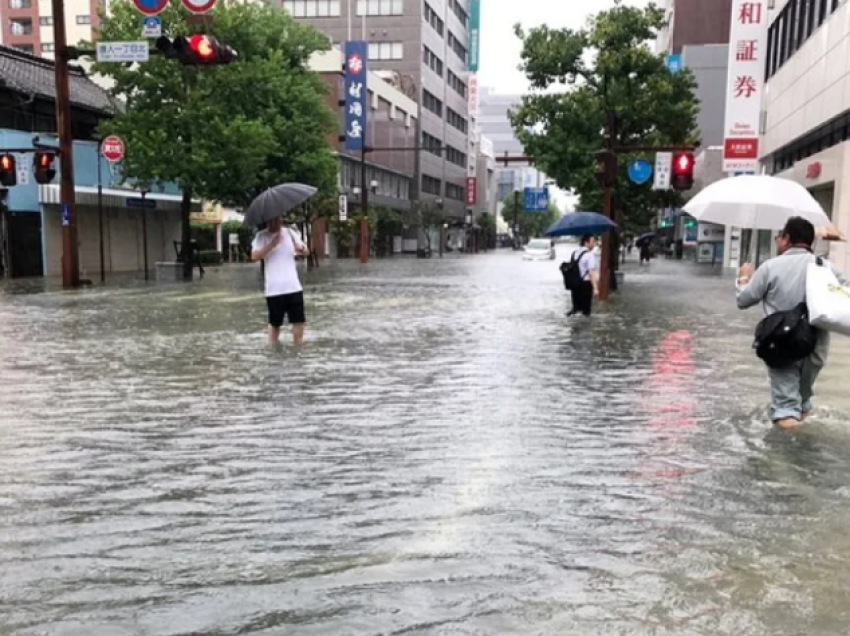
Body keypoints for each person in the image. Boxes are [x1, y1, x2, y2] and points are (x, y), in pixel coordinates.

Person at [736, 216, 848, 430]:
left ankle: (793, 457)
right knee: (802, 400)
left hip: (781, 344)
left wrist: (743, 278)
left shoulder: (770, 267)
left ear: (787, 238)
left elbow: (743, 300)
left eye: (779, 236)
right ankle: (805, 440)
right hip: (816, 347)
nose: (777, 240)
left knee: (785, 407)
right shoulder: (826, 267)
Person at [251, 216, 310, 346]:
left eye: (277, 220)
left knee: (298, 320)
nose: (274, 223)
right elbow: (254, 256)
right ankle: (273, 349)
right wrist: (272, 245)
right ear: (267, 221)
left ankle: (298, 349)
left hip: (293, 286)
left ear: (281, 219)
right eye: (271, 220)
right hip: (274, 289)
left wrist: (302, 250)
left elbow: (306, 251)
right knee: (275, 323)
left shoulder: (290, 233)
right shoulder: (261, 236)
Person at [568, 235, 599, 317]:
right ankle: (585, 328)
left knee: (576, 309)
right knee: (586, 312)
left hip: (575, 285)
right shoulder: (589, 255)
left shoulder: (574, 253)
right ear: (586, 242)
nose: (594, 244)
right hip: (585, 285)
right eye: (592, 241)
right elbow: (591, 272)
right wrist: (595, 288)